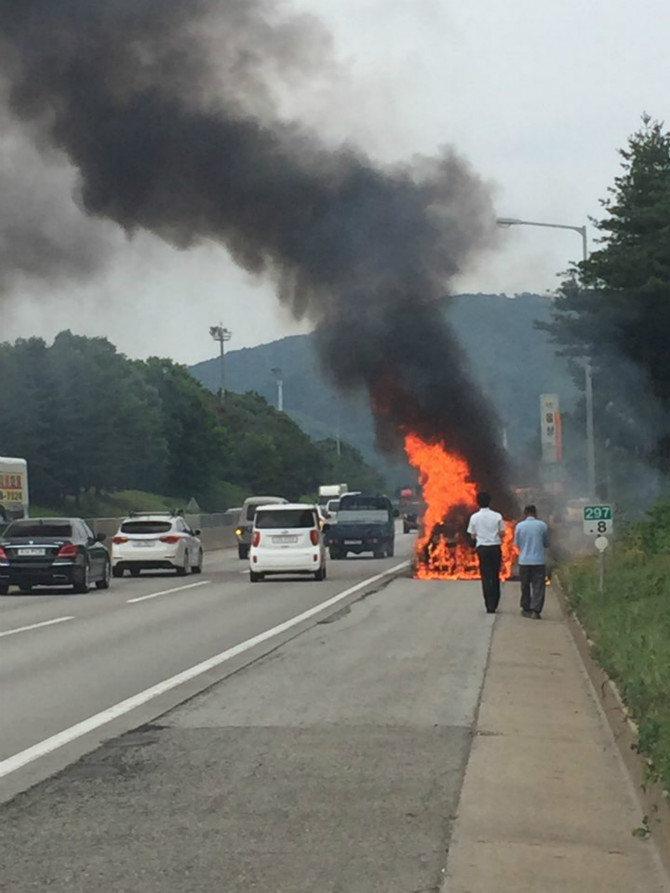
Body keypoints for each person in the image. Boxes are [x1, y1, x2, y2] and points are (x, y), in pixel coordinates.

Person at [467, 492, 506, 613]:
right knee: (495, 575)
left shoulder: (474, 517)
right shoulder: (497, 516)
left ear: (478, 502)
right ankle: (495, 602)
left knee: (485, 576)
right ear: (490, 502)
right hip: (495, 548)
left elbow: (472, 535)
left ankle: (488, 605)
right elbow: (502, 533)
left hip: (482, 549)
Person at [514, 504, 550, 619]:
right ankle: (536, 610)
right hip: (538, 561)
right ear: (535, 513)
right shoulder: (542, 525)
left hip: (524, 561)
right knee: (538, 586)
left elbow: (517, 543)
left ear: (525, 513)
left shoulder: (519, 526)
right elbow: (546, 543)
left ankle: (526, 608)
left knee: (525, 585)